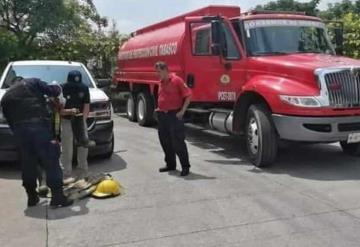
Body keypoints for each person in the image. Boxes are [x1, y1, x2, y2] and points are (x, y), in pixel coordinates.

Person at [0, 77, 73, 208]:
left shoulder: (5, 97)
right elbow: (52, 91)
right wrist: (58, 88)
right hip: (38, 127)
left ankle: (32, 197)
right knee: (51, 160)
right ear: (22, 80)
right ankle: (57, 196)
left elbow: (9, 121)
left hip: (20, 132)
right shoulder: (31, 82)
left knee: (28, 163)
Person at [155, 61, 192, 176]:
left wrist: (182, 111)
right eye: (156, 72)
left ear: (166, 70)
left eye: (159, 72)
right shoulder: (160, 82)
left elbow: (188, 95)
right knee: (165, 141)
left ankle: (185, 166)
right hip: (162, 115)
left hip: (174, 115)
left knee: (178, 141)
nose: (158, 74)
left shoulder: (177, 80)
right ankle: (170, 164)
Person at [61, 70, 92, 183]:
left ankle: (83, 172)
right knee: (66, 148)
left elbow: (86, 105)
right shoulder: (62, 88)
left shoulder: (84, 88)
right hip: (66, 121)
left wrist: (83, 121)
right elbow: (59, 108)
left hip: (80, 119)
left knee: (83, 146)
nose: (75, 87)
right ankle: (66, 174)